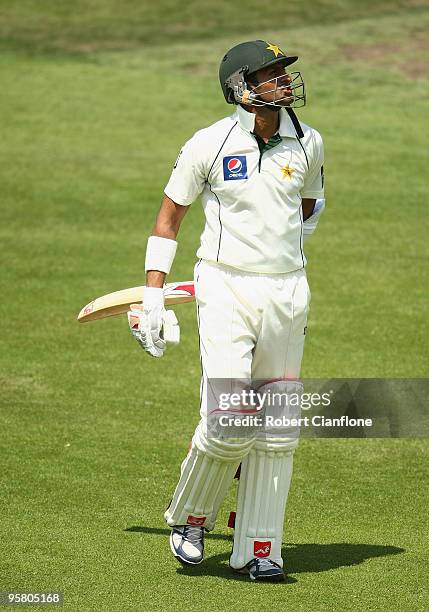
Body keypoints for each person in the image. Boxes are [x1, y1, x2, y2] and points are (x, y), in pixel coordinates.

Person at [130, 40, 325, 582]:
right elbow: (168, 220)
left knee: (278, 426)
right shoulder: (208, 145)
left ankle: (260, 547)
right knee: (230, 418)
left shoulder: (308, 142)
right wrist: (152, 295)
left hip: (287, 292)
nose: (284, 82)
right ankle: (190, 519)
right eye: (271, 75)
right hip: (225, 288)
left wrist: (275, 253)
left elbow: (308, 207)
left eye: (284, 73)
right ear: (242, 88)